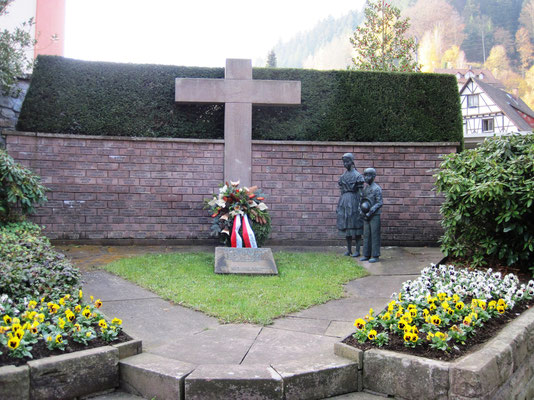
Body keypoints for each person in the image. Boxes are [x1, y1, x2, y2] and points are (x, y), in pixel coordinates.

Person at [336, 153, 364, 257]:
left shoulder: (358, 176)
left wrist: (361, 205)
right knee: (346, 226)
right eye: (343, 162)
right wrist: (339, 205)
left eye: (347, 162)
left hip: (354, 201)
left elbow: (361, 193)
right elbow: (342, 192)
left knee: (356, 226)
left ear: (352, 162)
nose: (345, 164)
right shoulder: (342, 177)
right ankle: (348, 250)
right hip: (344, 202)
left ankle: (357, 250)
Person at [360, 168, 383, 263]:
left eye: (368, 175)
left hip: (374, 215)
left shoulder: (377, 189)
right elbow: (362, 201)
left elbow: (379, 203)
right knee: (366, 235)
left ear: (374, 177)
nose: (366, 178)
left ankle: (375, 255)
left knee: (374, 235)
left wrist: (370, 212)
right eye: (365, 175)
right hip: (366, 215)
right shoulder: (365, 189)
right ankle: (366, 254)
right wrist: (361, 211)